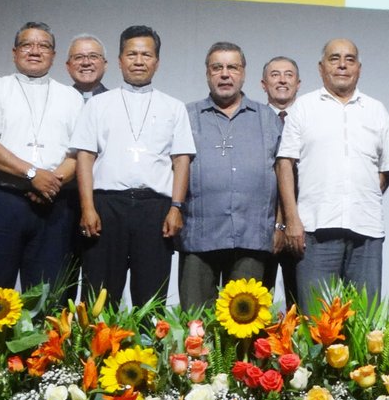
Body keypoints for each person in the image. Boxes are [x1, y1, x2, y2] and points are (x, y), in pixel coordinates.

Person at [72, 25, 195, 306]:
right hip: (106, 206)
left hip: (155, 209)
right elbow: (85, 157)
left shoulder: (173, 107)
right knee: (99, 297)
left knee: (151, 300)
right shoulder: (98, 104)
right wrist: (87, 207)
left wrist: (176, 208)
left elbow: (181, 160)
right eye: (132, 54)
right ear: (119, 60)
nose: (139, 61)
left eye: (146, 55)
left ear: (157, 62)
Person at [0, 22, 83, 292]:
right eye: (27, 45)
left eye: (43, 46)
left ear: (54, 55)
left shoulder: (71, 97)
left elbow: (79, 153)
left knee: (47, 295)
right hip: (0, 201)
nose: (35, 51)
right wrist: (32, 175)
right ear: (14, 52)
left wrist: (50, 183)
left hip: (53, 205)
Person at [276, 39, 389, 304]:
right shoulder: (303, 107)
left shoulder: (376, 110)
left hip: (366, 232)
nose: (342, 65)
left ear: (359, 68)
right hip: (315, 230)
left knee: (365, 320)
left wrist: (360, 196)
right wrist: (292, 219)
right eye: (334, 58)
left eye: (350, 59)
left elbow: (387, 169)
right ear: (321, 68)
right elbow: (284, 164)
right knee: (316, 321)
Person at [180, 42, 281, 308]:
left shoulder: (267, 118)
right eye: (217, 68)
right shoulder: (187, 116)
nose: (225, 74)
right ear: (207, 73)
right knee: (195, 322)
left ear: (243, 73)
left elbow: (284, 175)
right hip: (199, 235)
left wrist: (280, 225)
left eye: (232, 67)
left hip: (252, 236)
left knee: (246, 322)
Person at [260, 55, 303, 302]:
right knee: (256, 305)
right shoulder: (252, 120)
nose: (282, 80)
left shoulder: (310, 119)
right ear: (263, 84)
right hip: (262, 227)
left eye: (289, 75)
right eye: (275, 75)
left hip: (302, 225)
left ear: (298, 83)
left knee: (301, 304)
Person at [66, 34, 110, 99]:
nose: (86, 63)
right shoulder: (57, 101)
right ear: (68, 66)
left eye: (93, 56)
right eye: (78, 57)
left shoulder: (117, 101)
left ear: (105, 65)